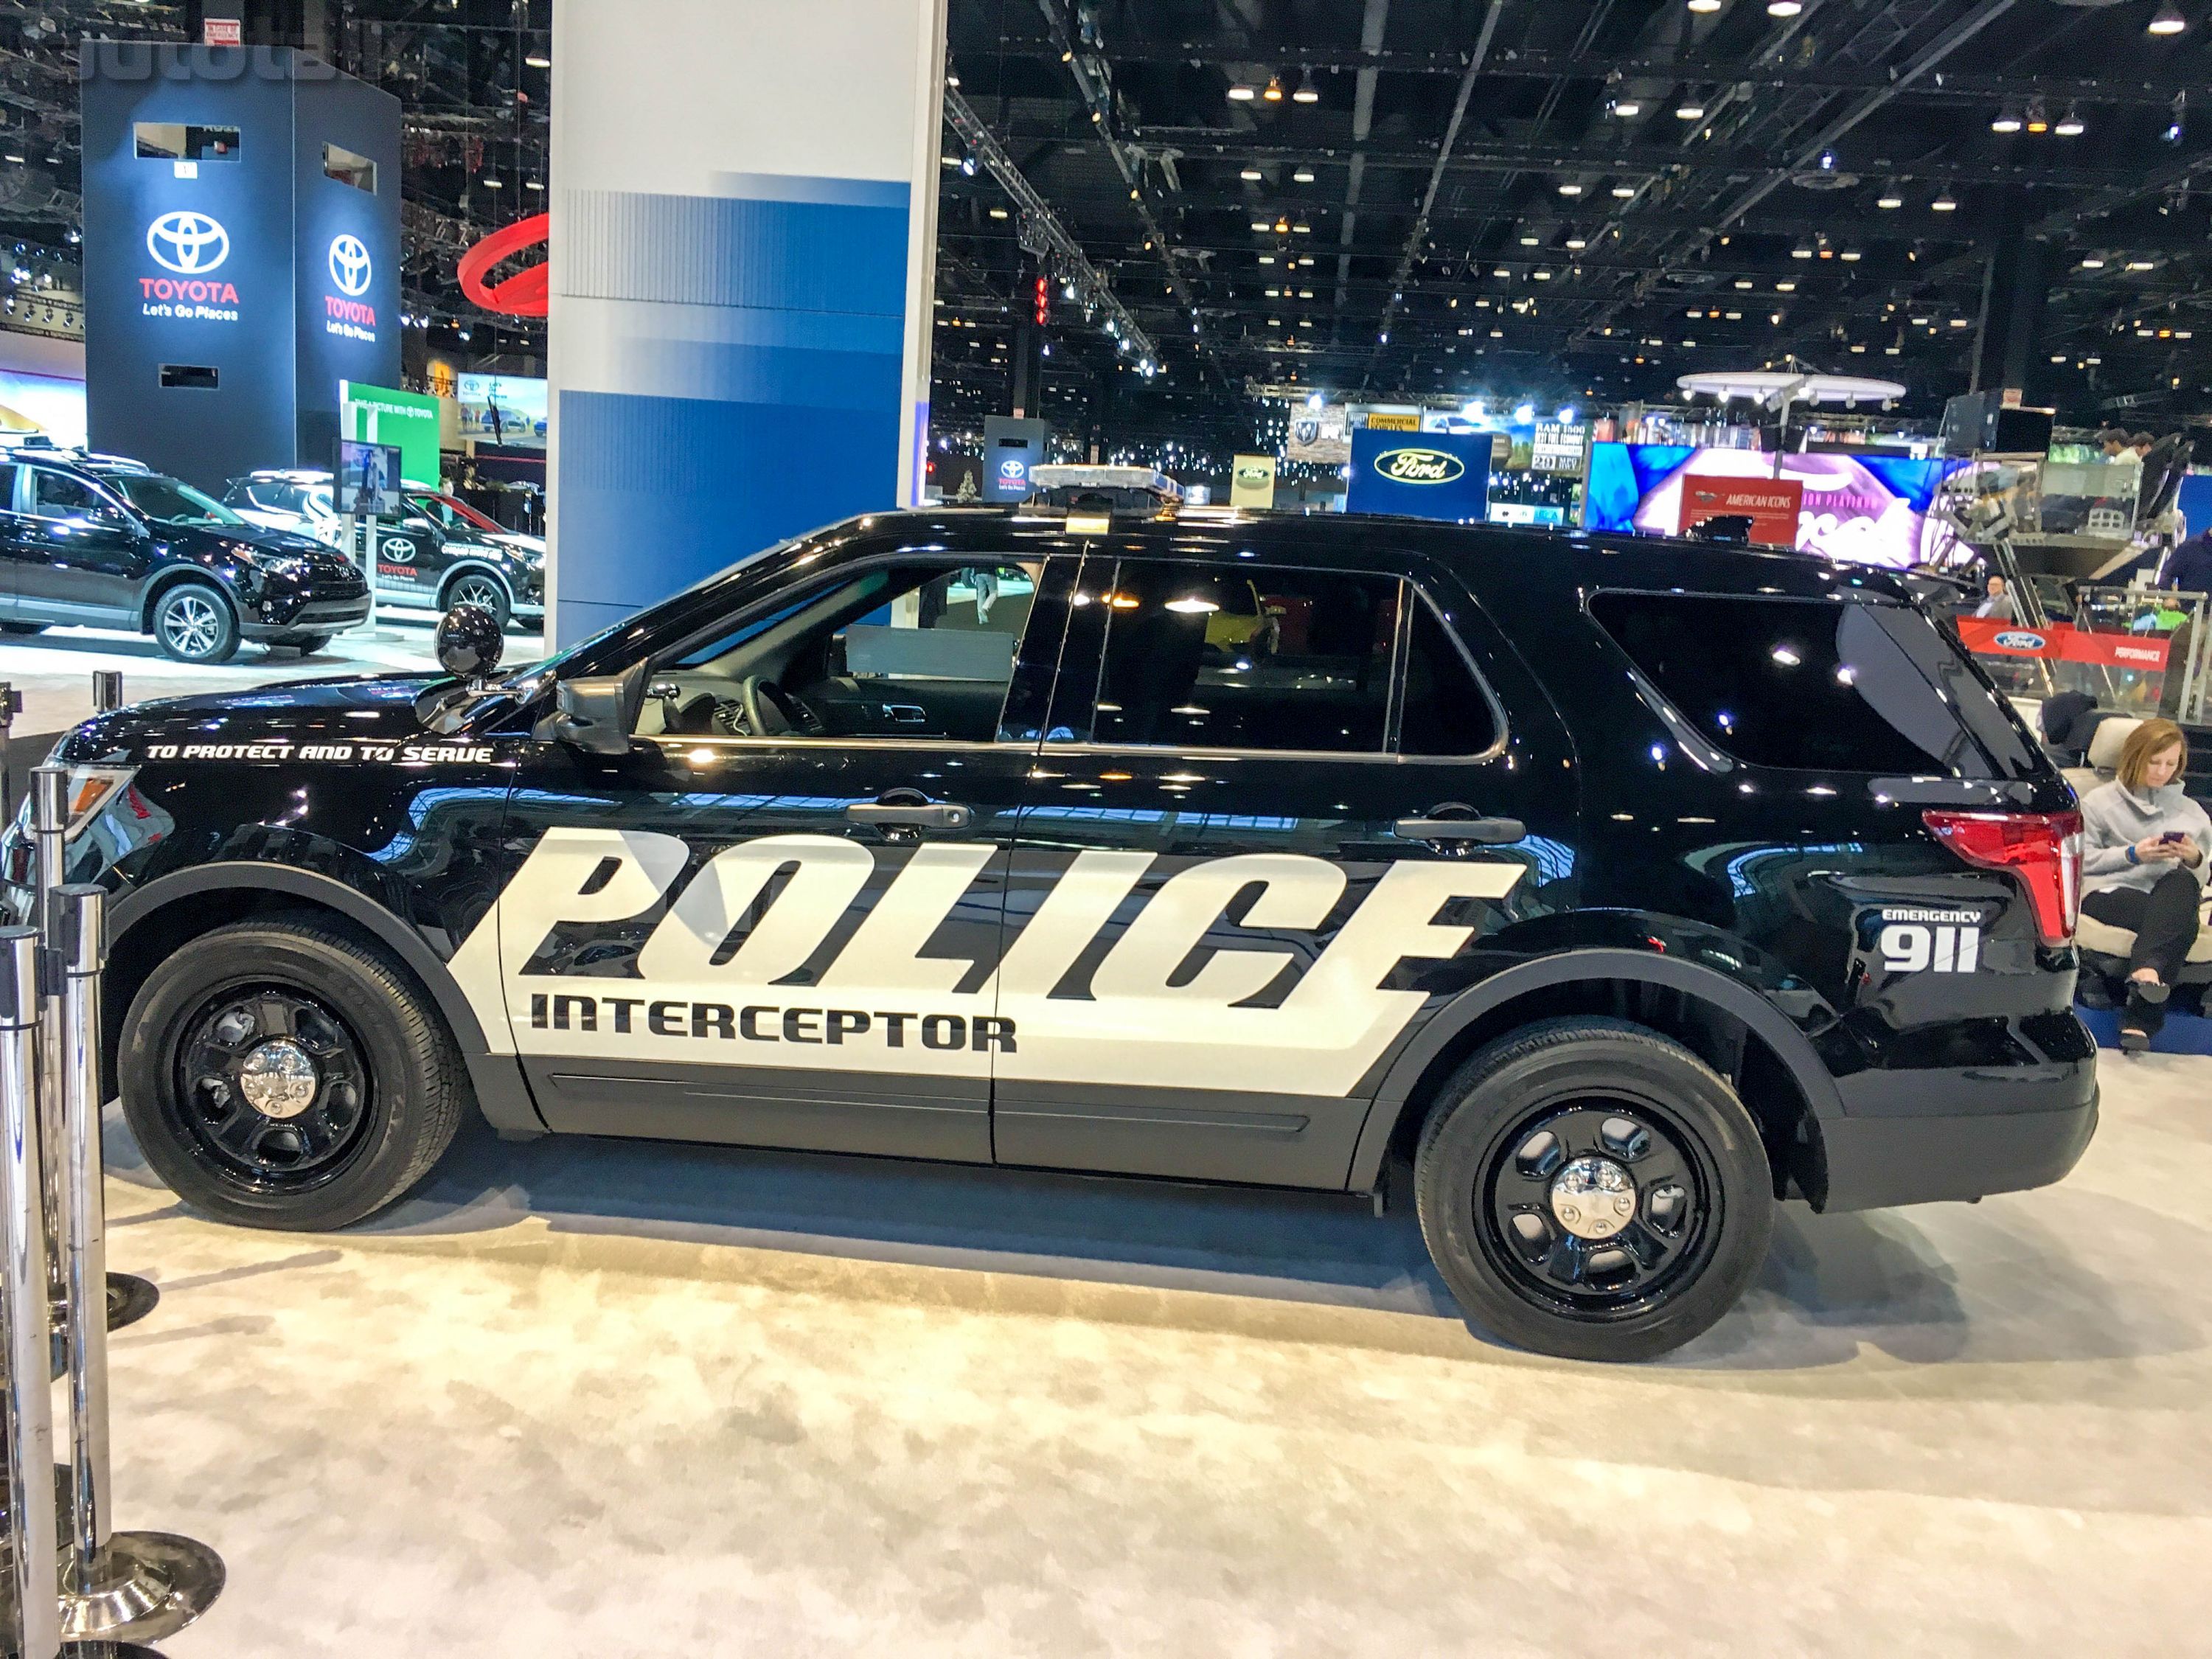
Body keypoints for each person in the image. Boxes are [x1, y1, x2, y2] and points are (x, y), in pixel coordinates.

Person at [2079, 717, 2211, 1050]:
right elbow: (2083, 861)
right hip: (2108, 890)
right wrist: (2133, 854)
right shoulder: (2097, 802)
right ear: (2136, 756)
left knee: (2181, 884)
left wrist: (2194, 859)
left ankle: (2147, 976)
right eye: (2155, 761)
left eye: (2171, 763)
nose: (2162, 771)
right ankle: (2141, 1019)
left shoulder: (2192, 813)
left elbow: (2200, 881)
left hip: (2167, 895)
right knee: (2175, 921)